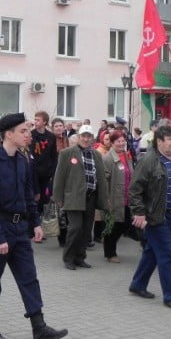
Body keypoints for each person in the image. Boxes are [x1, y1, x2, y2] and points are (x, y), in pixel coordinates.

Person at [0, 113, 67, 339]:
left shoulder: (22, 160)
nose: (28, 135)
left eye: (28, 130)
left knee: (29, 278)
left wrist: (36, 223)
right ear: (9, 134)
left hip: (20, 229)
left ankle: (39, 327)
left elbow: (28, 195)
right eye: (23, 131)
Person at [128, 125, 171, 310]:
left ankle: (138, 284)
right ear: (159, 141)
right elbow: (135, 189)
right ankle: (170, 296)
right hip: (156, 216)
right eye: (169, 139)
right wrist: (139, 212)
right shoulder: (150, 161)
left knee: (152, 252)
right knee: (165, 255)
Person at [53, 124, 108, 270]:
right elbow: (59, 177)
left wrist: (104, 198)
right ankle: (68, 258)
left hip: (90, 197)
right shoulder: (67, 153)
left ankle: (80, 257)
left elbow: (101, 177)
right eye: (83, 136)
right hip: (73, 197)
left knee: (86, 229)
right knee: (75, 228)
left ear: (92, 138)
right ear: (78, 137)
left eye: (89, 136)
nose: (86, 139)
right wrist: (57, 196)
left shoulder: (97, 155)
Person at [102, 130, 134, 263]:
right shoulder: (108, 158)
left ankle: (109, 247)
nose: (121, 143)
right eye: (118, 141)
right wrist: (106, 199)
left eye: (123, 141)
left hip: (126, 196)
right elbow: (104, 181)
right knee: (113, 225)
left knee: (125, 223)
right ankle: (110, 253)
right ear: (112, 143)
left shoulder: (127, 156)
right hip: (114, 198)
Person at [30, 111, 58, 210]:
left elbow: (54, 155)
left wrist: (53, 172)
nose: (35, 122)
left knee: (44, 199)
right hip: (34, 172)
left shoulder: (51, 136)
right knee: (34, 198)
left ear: (45, 122)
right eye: (35, 119)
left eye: (38, 120)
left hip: (46, 173)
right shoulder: (31, 135)